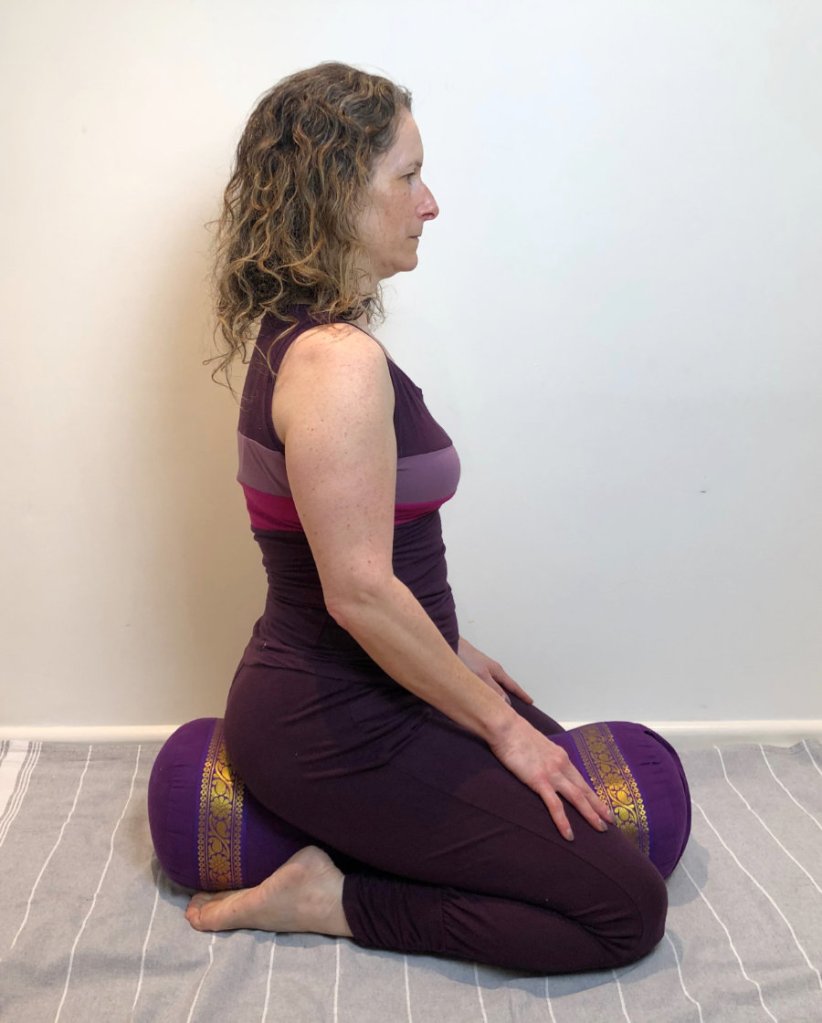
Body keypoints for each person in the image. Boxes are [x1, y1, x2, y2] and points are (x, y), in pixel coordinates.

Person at [185, 62, 668, 973]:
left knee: (603, 815)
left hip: (382, 686)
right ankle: (332, 901)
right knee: (625, 911)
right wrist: (502, 727)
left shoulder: (313, 336)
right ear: (336, 193)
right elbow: (360, 591)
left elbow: (369, 558)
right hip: (332, 721)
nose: (430, 201)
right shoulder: (335, 363)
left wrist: (454, 651)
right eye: (406, 176)